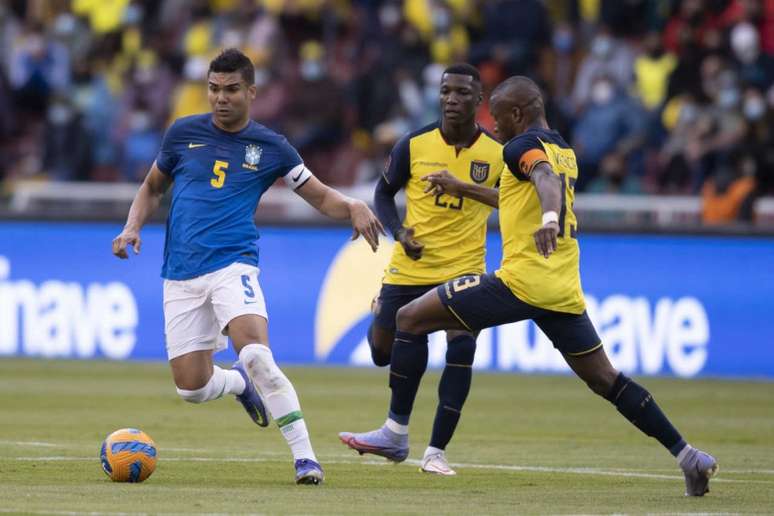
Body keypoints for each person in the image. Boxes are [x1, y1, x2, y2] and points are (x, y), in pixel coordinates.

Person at [339, 76, 718, 496]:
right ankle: (688, 456)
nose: (494, 127)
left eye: (498, 118)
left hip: (519, 282)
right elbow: (520, 194)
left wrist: (550, 219)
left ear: (517, 114)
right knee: (605, 379)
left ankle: (395, 434)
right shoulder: (564, 150)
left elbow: (542, 179)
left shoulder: (522, 147)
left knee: (407, 317)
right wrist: (464, 187)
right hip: (562, 288)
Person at [111, 48, 384, 486]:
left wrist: (352, 204)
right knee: (191, 389)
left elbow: (317, 195)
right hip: (180, 272)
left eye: (231, 89)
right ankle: (238, 384)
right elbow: (152, 187)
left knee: (256, 353)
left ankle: (305, 459)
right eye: (214, 89)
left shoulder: (270, 147)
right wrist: (132, 227)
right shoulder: (182, 133)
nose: (221, 98)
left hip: (233, 265)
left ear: (251, 92)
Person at [341, 63, 503, 476]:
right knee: (381, 352)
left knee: (461, 345)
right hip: (410, 267)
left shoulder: (499, 153)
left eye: (462, 93)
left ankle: (435, 450)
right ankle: (381, 307)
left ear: (478, 100)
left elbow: (512, 201)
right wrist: (398, 232)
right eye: (446, 91)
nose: (452, 99)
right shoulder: (413, 144)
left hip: (464, 268)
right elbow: (383, 191)